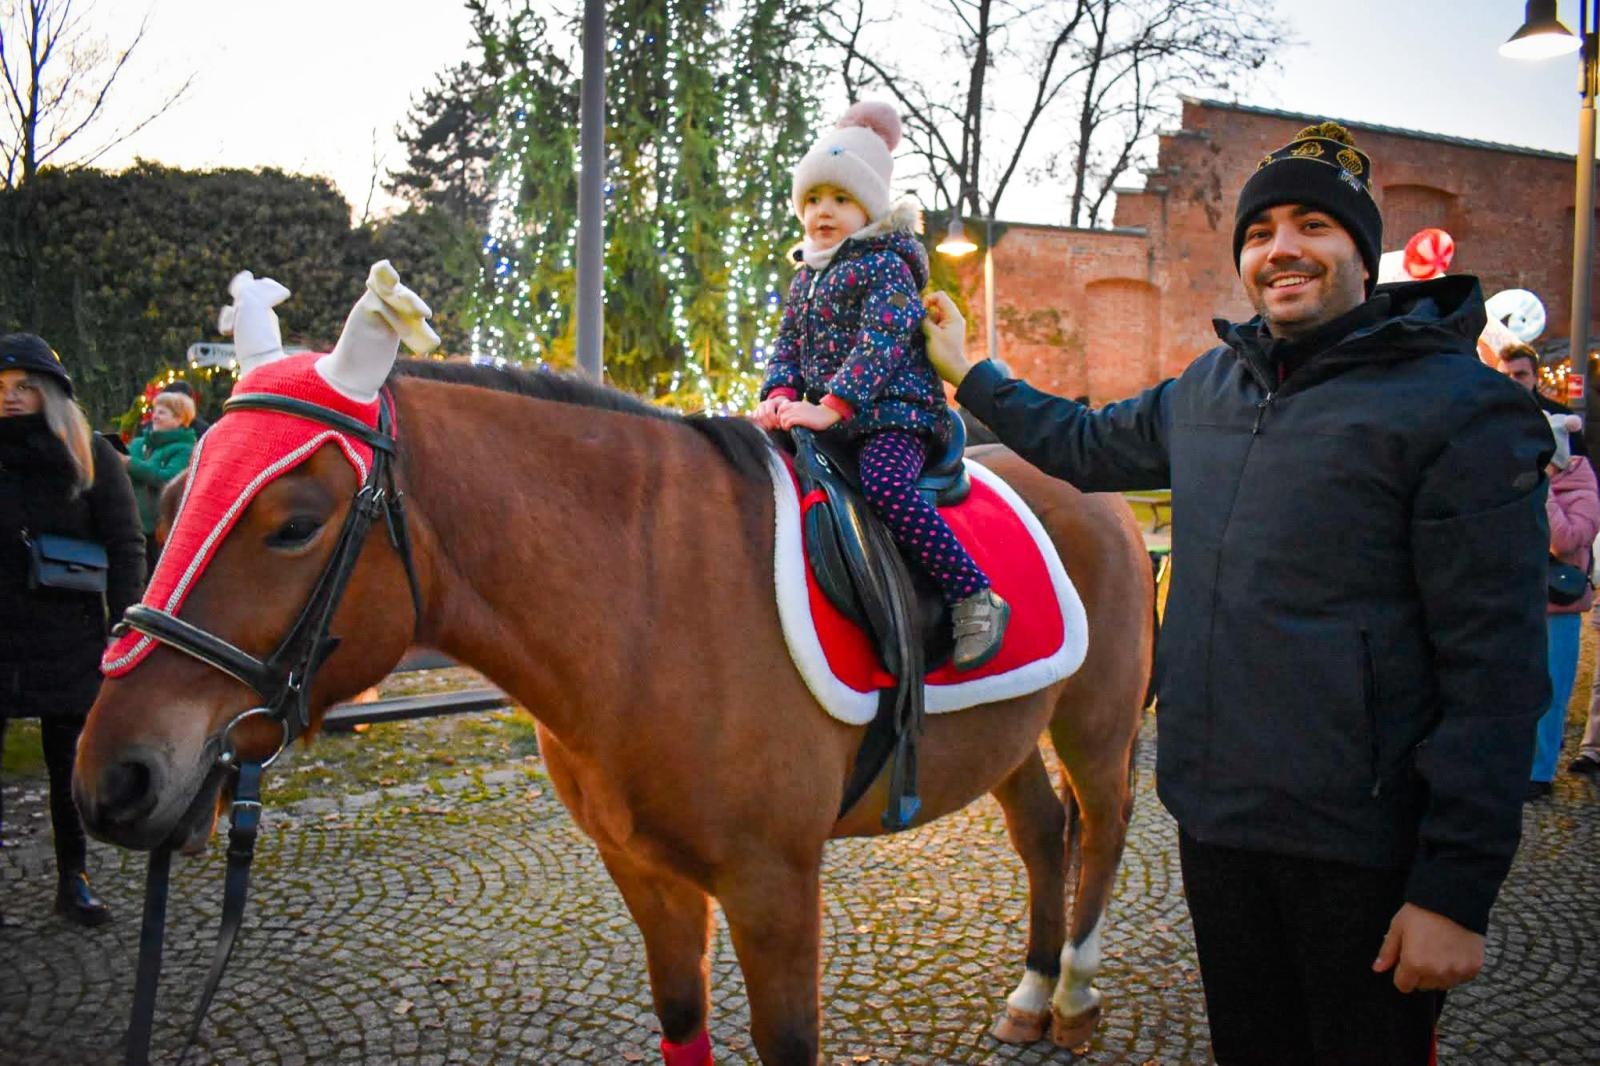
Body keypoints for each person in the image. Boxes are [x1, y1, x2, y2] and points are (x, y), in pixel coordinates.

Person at [922, 122, 1551, 1064]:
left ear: (1361, 252)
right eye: (1260, 233)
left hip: (1365, 850)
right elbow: (1082, 444)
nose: (1282, 249)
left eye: (1313, 227)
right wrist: (973, 374)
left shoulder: (1461, 408)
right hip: (1219, 826)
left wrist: (1454, 892)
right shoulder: (1212, 386)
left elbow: (1496, 671)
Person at [751, 101, 1007, 670]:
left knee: (885, 485)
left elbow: (883, 340)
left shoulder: (886, 264)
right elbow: (787, 344)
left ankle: (971, 592)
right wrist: (781, 393)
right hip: (833, 418)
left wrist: (833, 406)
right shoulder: (807, 276)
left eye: (841, 199)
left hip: (894, 415)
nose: (824, 211)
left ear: (868, 208)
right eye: (814, 199)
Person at [0, 333, 145, 925]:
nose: (10, 398)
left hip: (68, 630)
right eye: (2, 388)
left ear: (51, 392)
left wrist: (124, 621)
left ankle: (72, 877)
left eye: (24, 387)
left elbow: (125, 542)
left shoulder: (88, 453)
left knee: (69, 768)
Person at [125, 389, 197, 571]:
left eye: (162, 412)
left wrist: (129, 463)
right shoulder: (138, 444)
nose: (155, 416)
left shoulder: (184, 449)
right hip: (130, 523)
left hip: (157, 531)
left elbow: (168, 479)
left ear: (180, 419)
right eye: (154, 411)